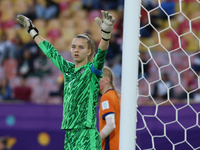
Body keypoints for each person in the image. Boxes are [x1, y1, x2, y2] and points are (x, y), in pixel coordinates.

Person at [16, 10, 115, 149]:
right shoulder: (67, 69)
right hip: (70, 135)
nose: (76, 50)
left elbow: (102, 53)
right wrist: (32, 30)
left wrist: (105, 36)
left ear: (89, 52)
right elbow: (50, 51)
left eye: (81, 47)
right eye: (73, 46)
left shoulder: (92, 70)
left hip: (86, 134)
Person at [99, 67, 120, 150]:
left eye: (97, 78)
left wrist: (95, 140)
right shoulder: (118, 95)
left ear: (107, 80)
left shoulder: (106, 97)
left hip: (111, 146)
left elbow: (110, 124)